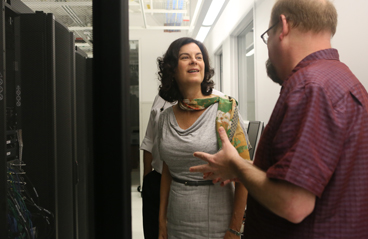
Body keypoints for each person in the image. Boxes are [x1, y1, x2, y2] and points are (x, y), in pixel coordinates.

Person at [189, 0, 368, 238]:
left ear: (283, 27)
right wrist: (246, 169)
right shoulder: (345, 81)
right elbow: (320, 175)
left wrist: (237, 164)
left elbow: (294, 203)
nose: (268, 46)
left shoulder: (309, 88)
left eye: (267, 35)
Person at [156, 37, 251, 239]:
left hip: (218, 221)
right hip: (177, 220)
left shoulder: (225, 110)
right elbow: (167, 170)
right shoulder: (165, 118)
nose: (194, 61)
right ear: (172, 69)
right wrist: (161, 222)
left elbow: (245, 172)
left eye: (198, 57)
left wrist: (234, 228)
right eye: (185, 57)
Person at [140, 91, 225, 239]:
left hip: (192, 185)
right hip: (158, 179)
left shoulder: (218, 103)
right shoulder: (160, 99)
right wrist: (146, 180)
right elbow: (149, 140)